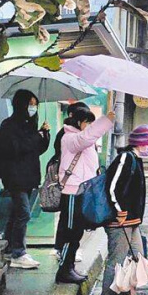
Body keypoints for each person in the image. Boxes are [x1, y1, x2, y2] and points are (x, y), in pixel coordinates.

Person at [99, 125, 148, 295]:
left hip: (132, 221)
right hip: (120, 221)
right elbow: (112, 187)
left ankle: (124, 294)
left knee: (135, 257)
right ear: (141, 143)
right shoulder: (126, 158)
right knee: (117, 260)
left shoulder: (136, 159)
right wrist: (119, 210)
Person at [54, 108, 115, 284]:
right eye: (88, 122)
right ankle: (64, 270)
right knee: (71, 233)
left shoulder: (81, 138)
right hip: (72, 192)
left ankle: (69, 267)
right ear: (79, 122)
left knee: (76, 232)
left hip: (82, 191)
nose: (90, 126)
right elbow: (84, 139)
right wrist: (105, 121)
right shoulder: (69, 138)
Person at [0, 89, 50, 269]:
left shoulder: (30, 126)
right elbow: (15, 148)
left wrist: (45, 135)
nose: (33, 108)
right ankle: (18, 253)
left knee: (16, 213)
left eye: (35, 105)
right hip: (15, 177)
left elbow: (36, 150)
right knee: (24, 213)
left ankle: (7, 247)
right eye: (30, 104)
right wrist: (36, 136)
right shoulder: (9, 125)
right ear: (21, 104)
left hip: (28, 177)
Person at [52, 101, 91, 262]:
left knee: (74, 220)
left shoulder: (82, 135)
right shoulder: (67, 135)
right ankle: (62, 251)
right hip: (70, 182)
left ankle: (68, 251)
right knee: (68, 220)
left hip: (81, 183)